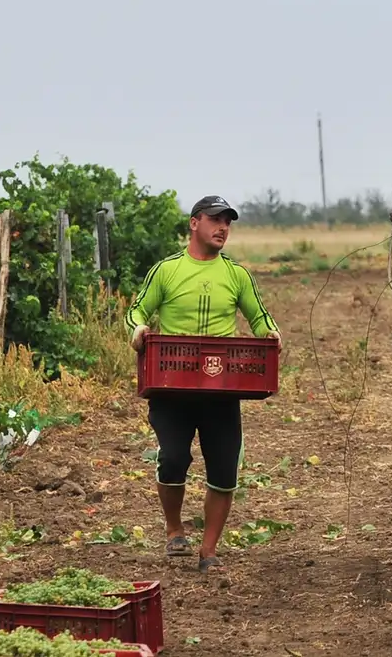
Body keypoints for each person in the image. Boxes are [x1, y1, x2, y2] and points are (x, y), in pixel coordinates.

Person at [127, 195, 281, 572]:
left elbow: (259, 317)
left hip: (220, 389)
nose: (223, 228)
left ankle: (208, 551)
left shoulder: (236, 274)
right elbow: (138, 310)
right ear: (195, 223)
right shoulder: (167, 270)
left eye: (228, 221)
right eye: (215, 220)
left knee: (224, 469)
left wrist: (271, 334)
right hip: (172, 385)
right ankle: (174, 527)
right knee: (173, 458)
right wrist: (139, 330)